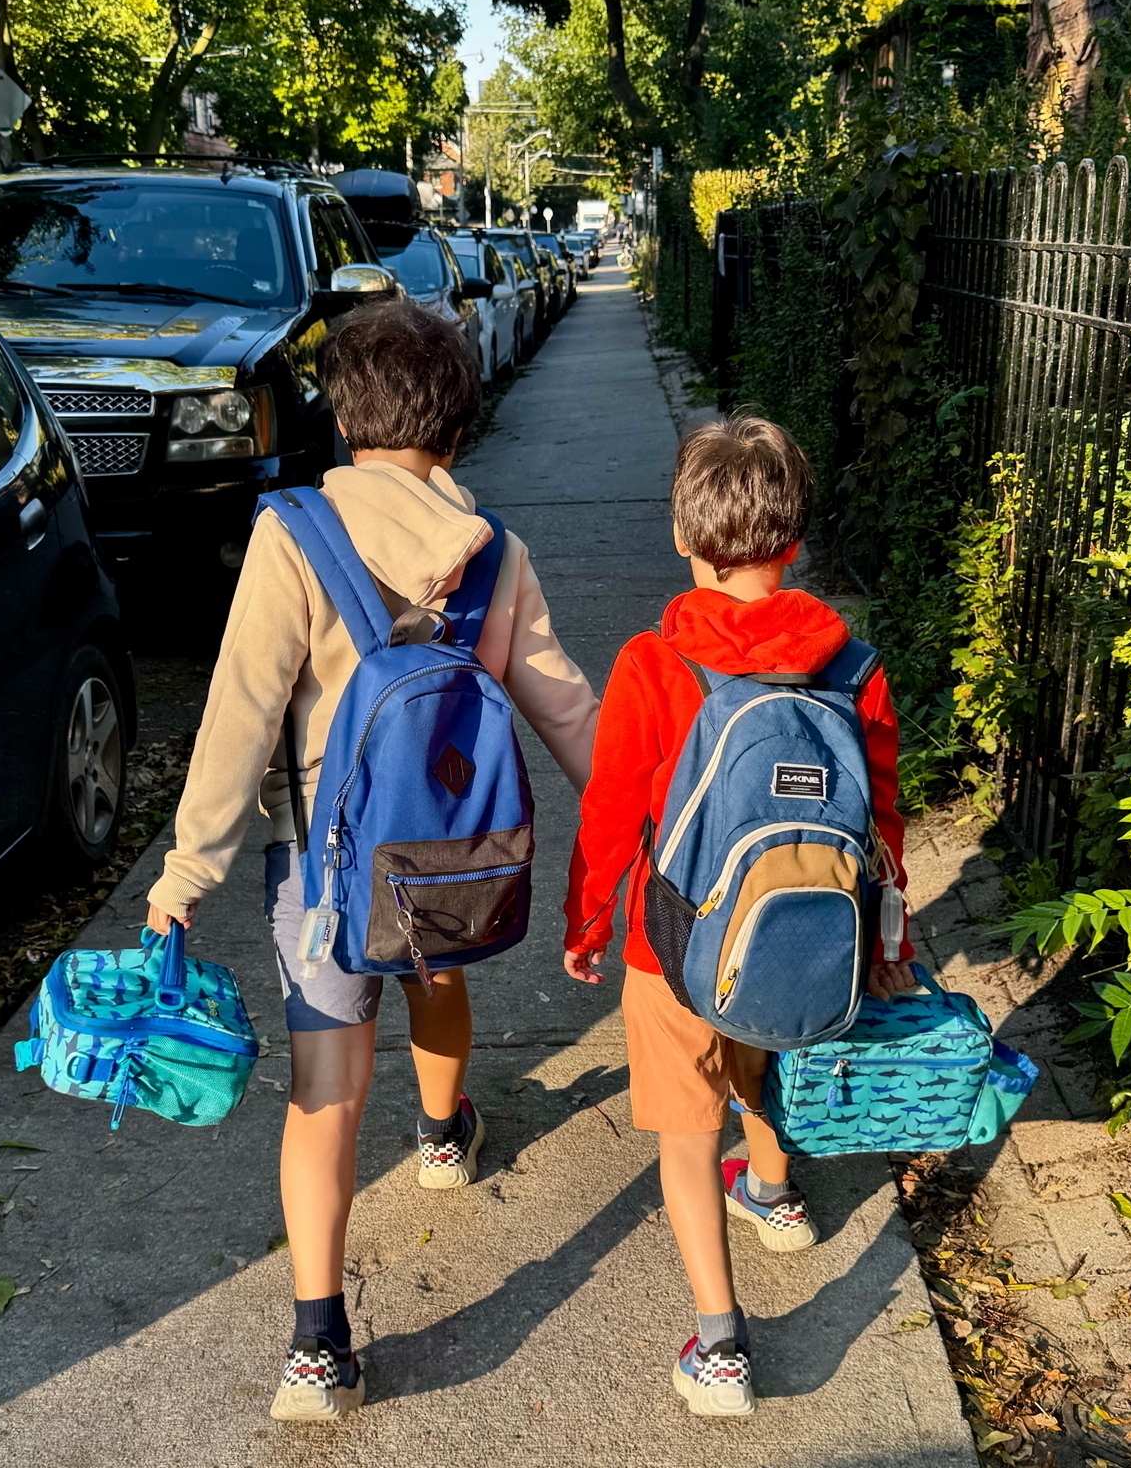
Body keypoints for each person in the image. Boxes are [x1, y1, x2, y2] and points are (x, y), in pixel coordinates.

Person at [146, 300, 598, 1422]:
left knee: (326, 1087)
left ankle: (316, 1346)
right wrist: (646, 819)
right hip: (452, 850)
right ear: (456, 420)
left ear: (344, 417)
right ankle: (445, 1135)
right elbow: (565, 708)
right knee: (437, 978)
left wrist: (183, 878)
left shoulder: (292, 532)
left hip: (320, 865)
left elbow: (242, 713)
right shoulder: (493, 553)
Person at [563, 412, 913, 1419]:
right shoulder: (853, 667)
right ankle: (775, 1191)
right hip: (812, 929)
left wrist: (590, 924)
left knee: (684, 1130)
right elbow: (883, 816)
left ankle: (720, 1345)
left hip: (672, 942)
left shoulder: (653, 664)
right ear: (794, 543)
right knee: (765, 1040)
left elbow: (612, 810)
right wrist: (892, 938)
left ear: (683, 540)